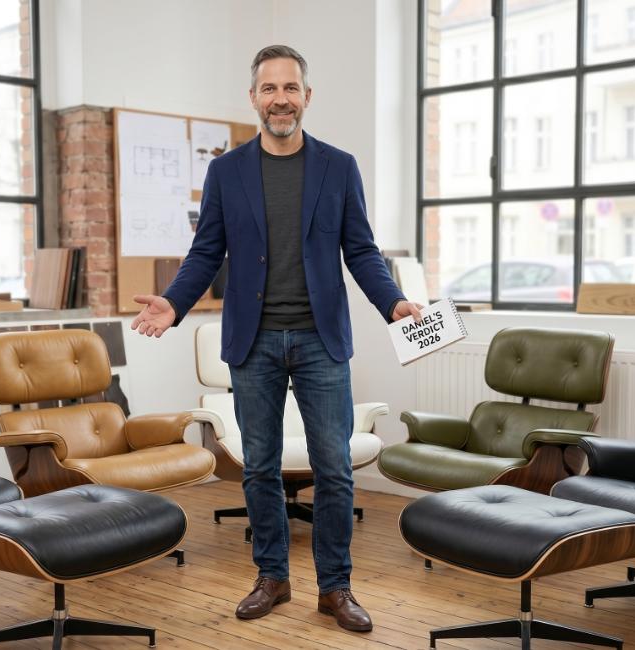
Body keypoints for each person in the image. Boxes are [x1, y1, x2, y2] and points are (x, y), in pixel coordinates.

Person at [130, 44, 422, 633]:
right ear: (254, 98)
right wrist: (175, 301)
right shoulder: (226, 170)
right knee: (259, 468)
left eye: (290, 88)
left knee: (334, 470)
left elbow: (360, 251)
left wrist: (394, 302)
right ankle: (272, 577)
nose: (280, 99)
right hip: (253, 341)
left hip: (321, 340)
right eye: (269, 89)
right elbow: (206, 251)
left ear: (306, 97)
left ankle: (335, 588)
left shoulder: (339, 167)